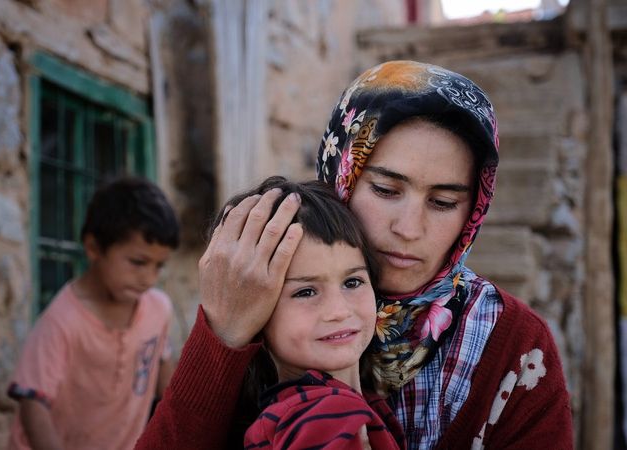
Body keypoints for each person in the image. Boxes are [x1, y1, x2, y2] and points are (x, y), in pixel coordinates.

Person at [135, 60, 573, 450]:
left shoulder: (514, 347)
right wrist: (224, 335)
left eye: (442, 202)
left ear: (473, 212)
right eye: (385, 190)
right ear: (341, 174)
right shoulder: (263, 300)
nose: (409, 228)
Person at [212, 177, 401, 449]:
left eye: (352, 282)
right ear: (254, 313)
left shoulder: (349, 407)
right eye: (305, 292)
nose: (338, 311)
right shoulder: (324, 419)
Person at [7, 176, 180, 450]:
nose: (148, 278)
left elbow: (167, 387)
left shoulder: (159, 309)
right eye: (138, 262)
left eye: (159, 266)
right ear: (94, 248)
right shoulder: (62, 321)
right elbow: (33, 405)